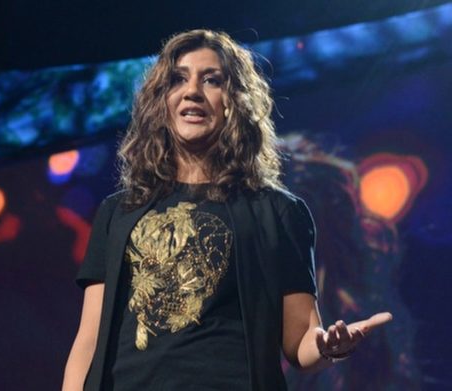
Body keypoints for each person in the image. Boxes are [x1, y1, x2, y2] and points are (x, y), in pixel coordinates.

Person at [62, 29, 392, 391]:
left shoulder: (278, 212)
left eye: (211, 80)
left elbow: (300, 341)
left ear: (234, 101)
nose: (192, 91)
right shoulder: (120, 211)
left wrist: (329, 347)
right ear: (161, 101)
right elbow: (89, 340)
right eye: (178, 79)